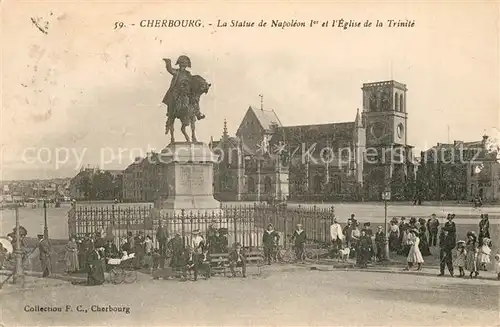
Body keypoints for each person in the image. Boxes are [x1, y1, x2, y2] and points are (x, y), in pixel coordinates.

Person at [162, 55, 205, 120]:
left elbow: (192, 80)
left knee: (195, 99)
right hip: (177, 90)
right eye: (182, 64)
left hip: (186, 91)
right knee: (173, 98)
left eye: (184, 64)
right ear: (179, 64)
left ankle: (197, 113)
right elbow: (170, 69)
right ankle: (171, 111)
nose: (183, 66)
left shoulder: (188, 73)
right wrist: (168, 62)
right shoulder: (176, 72)